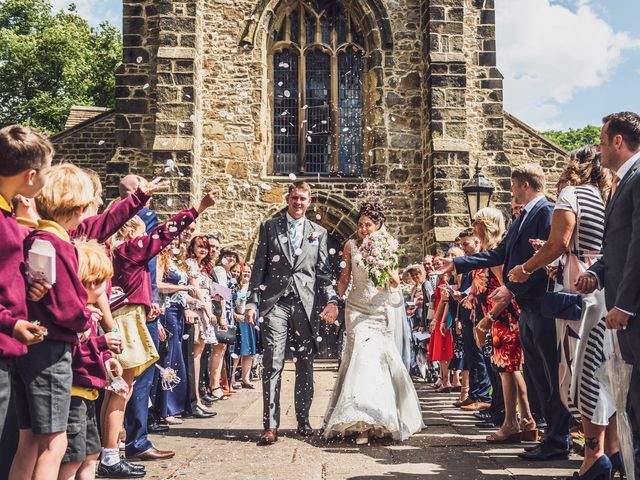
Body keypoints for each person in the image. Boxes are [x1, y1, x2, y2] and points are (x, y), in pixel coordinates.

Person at [436, 163, 572, 461]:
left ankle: (558, 438)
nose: (511, 192)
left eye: (512, 186)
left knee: (550, 375)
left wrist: (512, 288)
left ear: (524, 184)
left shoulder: (546, 211)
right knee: (538, 374)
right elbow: (500, 254)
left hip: (540, 303)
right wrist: (456, 264)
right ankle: (550, 436)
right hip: (527, 306)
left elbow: (546, 256)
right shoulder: (523, 217)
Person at [509, 145, 619, 478]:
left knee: (581, 374)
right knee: (605, 372)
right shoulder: (605, 196)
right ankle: (612, 452)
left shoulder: (571, 194)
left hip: (578, 295)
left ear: (574, 168)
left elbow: (559, 242)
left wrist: (525, 269)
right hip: (603, 289)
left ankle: (592, 457)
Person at [99, 192, 217, 474]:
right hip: (127, 319)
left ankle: (107, 451)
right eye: (143, 230)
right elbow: (165, 233)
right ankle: (110, 456)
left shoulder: (113, 251)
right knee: (121, 390)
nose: (147, 236)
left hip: (128, 314)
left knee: (115, 391)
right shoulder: (129, 249)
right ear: (132, 229)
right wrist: (197, 208)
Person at [11, 164, 98, 479]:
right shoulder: (58, 244)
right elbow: (67, 307)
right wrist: (87, 316)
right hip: (50, 349)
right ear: (78, 208)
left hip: (29, 347)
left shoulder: (35, 238)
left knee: (29, 440)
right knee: (54, 442)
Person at [245, 181, 339, 446]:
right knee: (273, 362)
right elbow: (259, 268)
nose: (299, 203)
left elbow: (323, 274)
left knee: (305, 364)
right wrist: (252, 302)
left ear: (310, 202)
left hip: (306, 307)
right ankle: (271, 425)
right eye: (295, 197)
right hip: (276, 304)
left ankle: (303, 419)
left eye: (303, 199)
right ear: (288, 199)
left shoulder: (318, 233)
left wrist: (331, 300)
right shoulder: (269, 227)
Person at [322, 202, 423, 444]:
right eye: (360, 225)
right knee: (360, 357)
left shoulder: (387, 246)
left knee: (378, 362)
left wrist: (385, 267)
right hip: (356, 309)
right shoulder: (350, 246)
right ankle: (360, 421)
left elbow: (395, 282)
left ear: (379, 225)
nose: (364, 229)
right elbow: (344, 278)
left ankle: (378, 415)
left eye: (368, 225)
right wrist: (335, 300)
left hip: (380, 309)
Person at [575, 112, 640, 478]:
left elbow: (637, 247)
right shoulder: (622, 181)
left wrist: (624, 305)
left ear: (618, 141)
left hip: (631, 311)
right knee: (630, 402)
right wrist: (595, 274)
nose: (598, 146)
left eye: (602, 139)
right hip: (619, 306)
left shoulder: (638, 177)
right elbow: (615, 248)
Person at [0, 125, 52, 480]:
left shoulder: (9, 215)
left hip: (13, 349)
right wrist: (10, 322)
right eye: (45, 171)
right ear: (30, 175)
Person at [58, 240, 130, 480]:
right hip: (74, 391)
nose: (103, 291)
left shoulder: (90, 311)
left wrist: (107, 357)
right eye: (100, 283)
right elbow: (73, 351)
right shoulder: (75, 314)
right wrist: (102, 344)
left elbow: (94, 346)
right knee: (72, 457)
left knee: (90, 454)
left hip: (89, 389)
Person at [471, 207, 535, 444]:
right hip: (501, 317)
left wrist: (489, 318)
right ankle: (526, 420)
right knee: (509, 369)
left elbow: (505, 290)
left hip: (503, 316)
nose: (474, 228)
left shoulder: (497, 253)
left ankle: (511, 423)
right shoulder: (495, 250)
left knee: (507, 370)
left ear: (486, 225)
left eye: (476, 223)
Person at [449, 229, 492, 411]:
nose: (463, 248)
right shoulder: (469, 265)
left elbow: (480, 286)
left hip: (480, 312)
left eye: (466, 244)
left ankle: (482, 395)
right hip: (468, 313)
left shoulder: (482, 261)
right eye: (461, 245)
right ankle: (474, 394)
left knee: (480, 356)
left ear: (477, 241)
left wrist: (465, 295)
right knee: (471, 355)